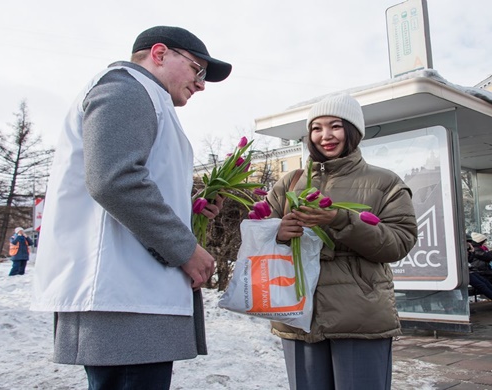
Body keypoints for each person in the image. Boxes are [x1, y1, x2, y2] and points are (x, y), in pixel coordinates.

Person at [30, 26, 231, 390]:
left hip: (133, 295)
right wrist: (184, 247)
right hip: (123, 297)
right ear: (159, 54)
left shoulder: (146, 96)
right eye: (196, 70)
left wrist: (188, 211)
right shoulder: (127, 89)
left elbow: (129, 181)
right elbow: (115, 180)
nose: (201, 84)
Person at [265, 94, 418, 390]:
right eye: (316, 128)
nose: (325, 136)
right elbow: (261, 238)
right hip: (298, 311)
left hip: (359, 313)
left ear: (352, 131)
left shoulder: (384, 182)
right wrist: (280, 233)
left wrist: (341, 220)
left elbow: (399, 242)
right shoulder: (290, 182)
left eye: (335, 126)